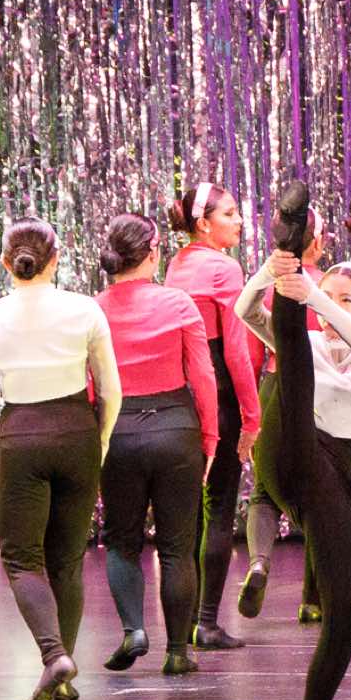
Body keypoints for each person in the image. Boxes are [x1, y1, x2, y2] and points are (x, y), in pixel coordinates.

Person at [236, 184, 351, 700]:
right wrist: (276, 270)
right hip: (290, 453)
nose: (330, 306)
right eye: (325, 295)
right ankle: (290, 234)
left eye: (346, 299)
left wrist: (313, 295)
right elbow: (244, 310)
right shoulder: (306, 338)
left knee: (345, 617)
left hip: (333, 480)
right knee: (291, 352)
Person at [0, 218, 121, 700]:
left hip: (22, 440)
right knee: (67, 562)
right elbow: (111, 391)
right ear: (56, 260)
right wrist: (99, 443)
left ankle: (55, 657)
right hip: (78, 434)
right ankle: (64, 675)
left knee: (21, 559)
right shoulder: (84, 310)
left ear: (5, 263)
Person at [95, 213, 215, 676]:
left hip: (119, 432)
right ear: (152, 253)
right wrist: (210, 437)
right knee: (177, 547)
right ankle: (179, 651)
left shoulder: (93, 310)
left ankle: (134, 630)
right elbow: (202, 376)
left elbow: (90, 384)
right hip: (176, 430)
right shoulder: (178, 303)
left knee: (122, 542)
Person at [164, 183, 260, 650]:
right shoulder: (224, 268)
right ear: (204, 224)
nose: (239, 220)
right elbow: (236, 352)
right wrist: (252, 416)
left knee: (190, 514)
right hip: (217, 395)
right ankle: (205, 622)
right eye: (230, 213)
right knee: (219, 508)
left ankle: (186, 624)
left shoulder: (175, 264)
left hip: (179, 396)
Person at [236, 208, 332, 626]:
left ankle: (259, 561)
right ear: (317, 242)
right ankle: (313, 598)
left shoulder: (275, 288)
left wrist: (251, 415)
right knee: (320, 493)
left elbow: (252, 351)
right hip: (321, 390)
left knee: (264, 491)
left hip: (276, 386)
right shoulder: (331, 286)